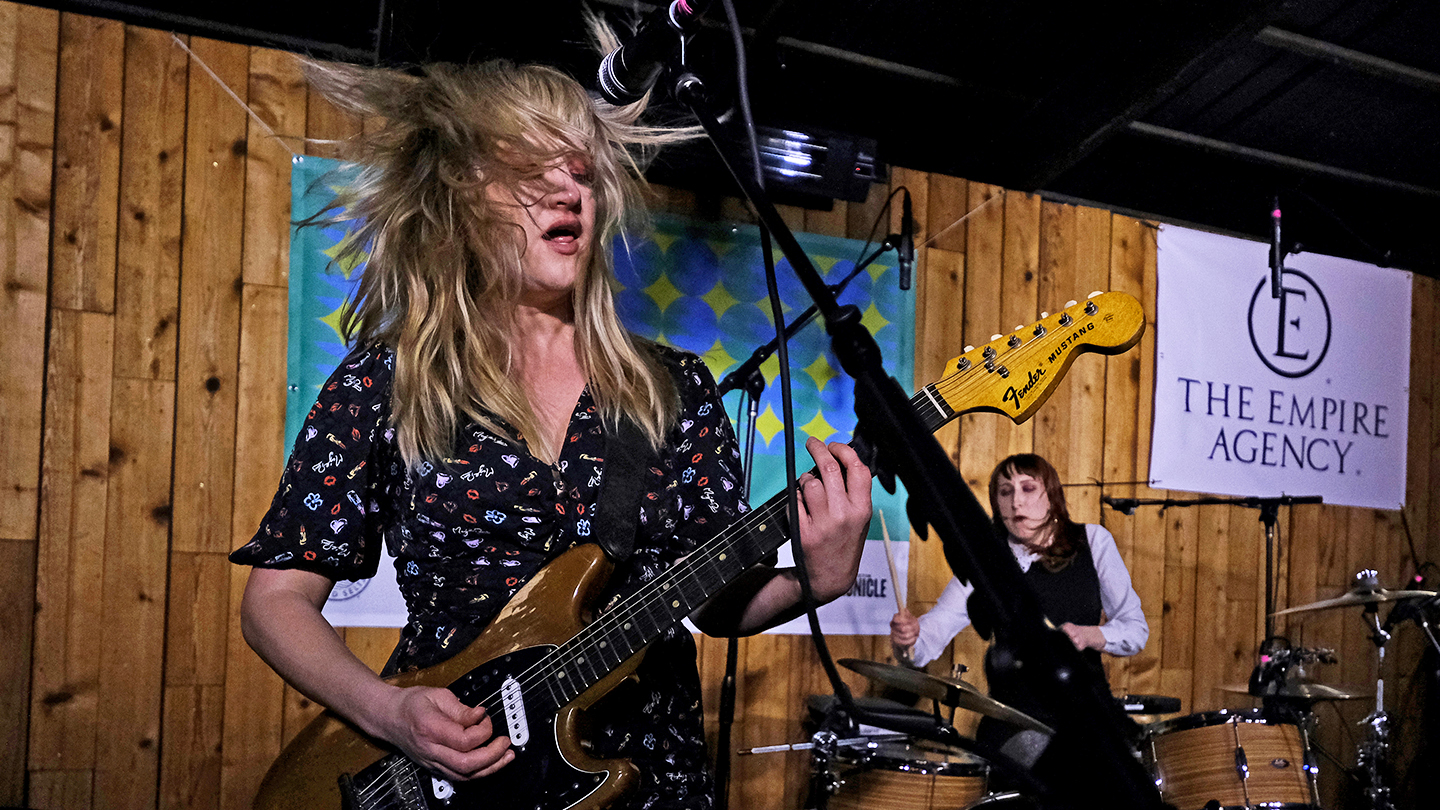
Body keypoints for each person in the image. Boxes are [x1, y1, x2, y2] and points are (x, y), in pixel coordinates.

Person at [229, 55, 871, 809]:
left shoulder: (671, 389)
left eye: (583, 173)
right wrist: (389, 712)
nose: (570, 190)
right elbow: (274, 603)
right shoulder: (389, 382)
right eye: (532, 172)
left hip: (643, 775)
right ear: (462, 195)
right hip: (445, 771)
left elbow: (711, 602)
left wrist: (815, 582)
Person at [889, 453, 1146, 747]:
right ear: (996, 503)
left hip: (1088, 718)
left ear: (1051, 496)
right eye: (1005, 491)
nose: (1016, 502)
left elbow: (1135, 630)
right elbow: (930, 635)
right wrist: (908, 638)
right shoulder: (987, 559)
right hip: (1015, 725)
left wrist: (1089, 635)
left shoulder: (1093, 541)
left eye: (1028, 488)